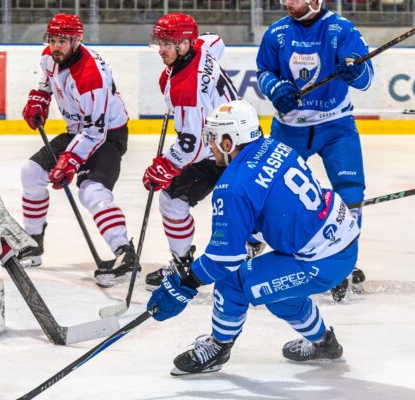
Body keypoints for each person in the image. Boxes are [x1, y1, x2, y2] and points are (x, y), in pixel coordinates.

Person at [146, 100, 359, 375]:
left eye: (212, 138)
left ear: (227, 142)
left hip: (321, 260)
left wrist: (182, 284)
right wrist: (250, 239)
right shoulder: (276, 146)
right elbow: (273, 206)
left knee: (233, 281)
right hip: (342, 240)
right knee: (280, 295)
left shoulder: (233, 187)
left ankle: (218, 347)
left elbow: (223, 260)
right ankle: (324, 343)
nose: (209, 145)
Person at [255, 0, 372, 301]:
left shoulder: (342, 29)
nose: (286, 3)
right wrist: (275, 89)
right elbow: (264, 70)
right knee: (266, 190)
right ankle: (252, 247)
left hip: (336, 126)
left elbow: (367, 78)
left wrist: (353, 70)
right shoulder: (276, 32)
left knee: (351, 194)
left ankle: (345, 260)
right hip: (289, 127)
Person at [19, 14, 136, 287]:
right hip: (78, 131)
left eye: (62, 41)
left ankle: (125, 254)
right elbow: (46, 77)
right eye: (52, 40)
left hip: (108, 135)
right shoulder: (50, 57)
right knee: (31, 172)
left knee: (92, 191)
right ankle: (33, 242)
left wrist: (69, 161)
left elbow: (96, 132)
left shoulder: (90, 76)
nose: (55, 46)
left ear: (77, 40)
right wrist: (40, 97)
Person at [142, 13, 239, 290]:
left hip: (222, 154)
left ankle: (185, 264)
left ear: (185, 45)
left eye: (167, 43)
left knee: (174, 200)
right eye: (159, 42)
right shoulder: (203, 47)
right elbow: (216, 40)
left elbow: (192, 145)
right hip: (239, 143)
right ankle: (183, 264)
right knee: (252, 208)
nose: (161, 50)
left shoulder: (187, 89)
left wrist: (164, 165)